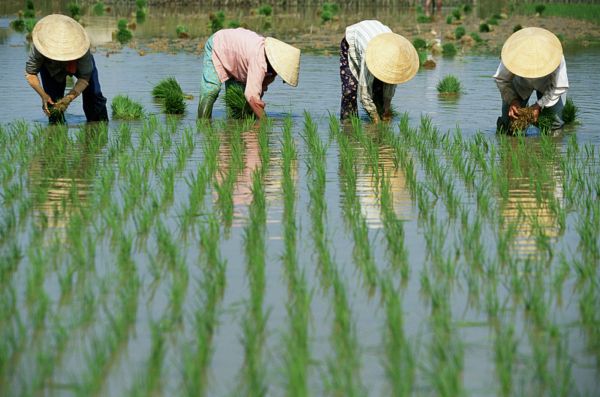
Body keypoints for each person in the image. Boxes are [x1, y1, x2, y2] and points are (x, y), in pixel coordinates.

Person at [197, 28, 301, 119]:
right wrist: (265, 122)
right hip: (218, 45)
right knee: (211, 91)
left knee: (236, 101)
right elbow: (252, 97)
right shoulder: (259, 61)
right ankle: (203, 125)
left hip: (237, 57)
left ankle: (232, 131)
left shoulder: (270, 71)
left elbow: (257, 93)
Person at [25, 14, 108, 124]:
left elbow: (84, 78)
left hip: (77, 63)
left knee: (94, 95)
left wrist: (68, 98)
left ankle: (97, 128)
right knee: (52, 103)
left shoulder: (82, 48)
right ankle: (56, 133)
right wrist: (43, 95)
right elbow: (31, 73)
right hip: (50, 68)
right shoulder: (40, 46)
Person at [339, 20, 419, 123]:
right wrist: (375, 118)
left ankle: (379, 119)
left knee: (378, 90)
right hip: (354, 40)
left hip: (380, 40)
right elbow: (364, 94)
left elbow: (390, 87)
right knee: (349, 90)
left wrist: (386, 109)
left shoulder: (396, 54)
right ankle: (348, 124)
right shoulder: (369, 56)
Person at [494, 27, 569, 133]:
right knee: (508, 125)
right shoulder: (512, 55)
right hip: (520, 83)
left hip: (547, 85)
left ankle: (554, 144)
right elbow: (501, 79)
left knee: (556, 123)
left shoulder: (555, 56)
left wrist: (538, 106)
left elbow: (558, 86)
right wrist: (513, 101)